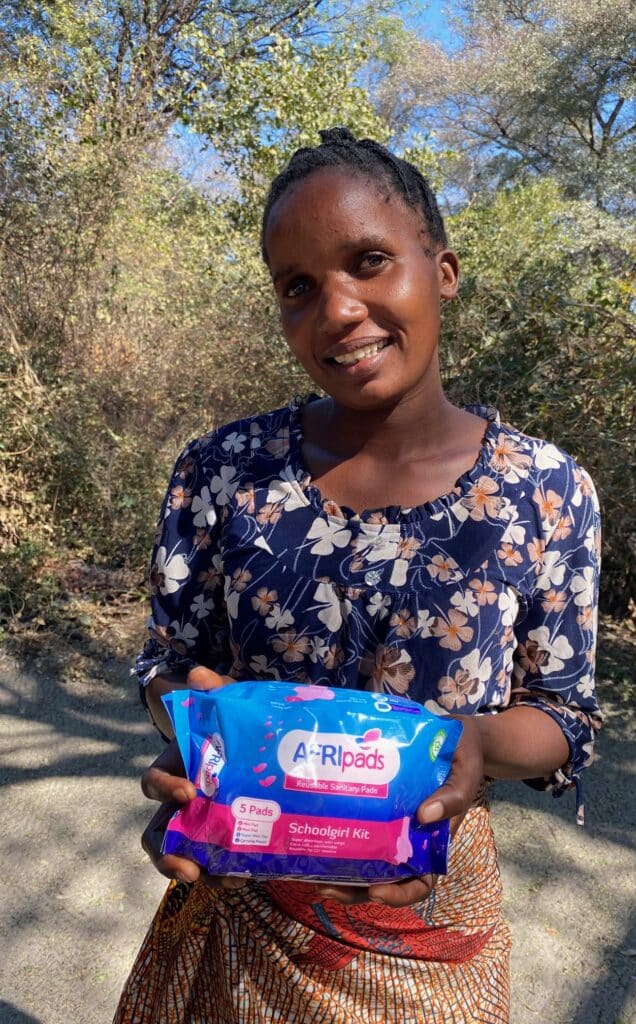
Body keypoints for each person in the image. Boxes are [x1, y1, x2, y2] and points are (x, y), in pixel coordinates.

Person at [113, 127, 602, 1024]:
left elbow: (565, 714)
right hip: (241, 894)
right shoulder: (223, 469)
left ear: (442, 271)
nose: (337, 309)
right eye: (298, 287)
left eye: (369, 261)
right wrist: (196, 739)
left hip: (427, 913)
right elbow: (167, 663)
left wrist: (481, 747)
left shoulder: (545, 489)